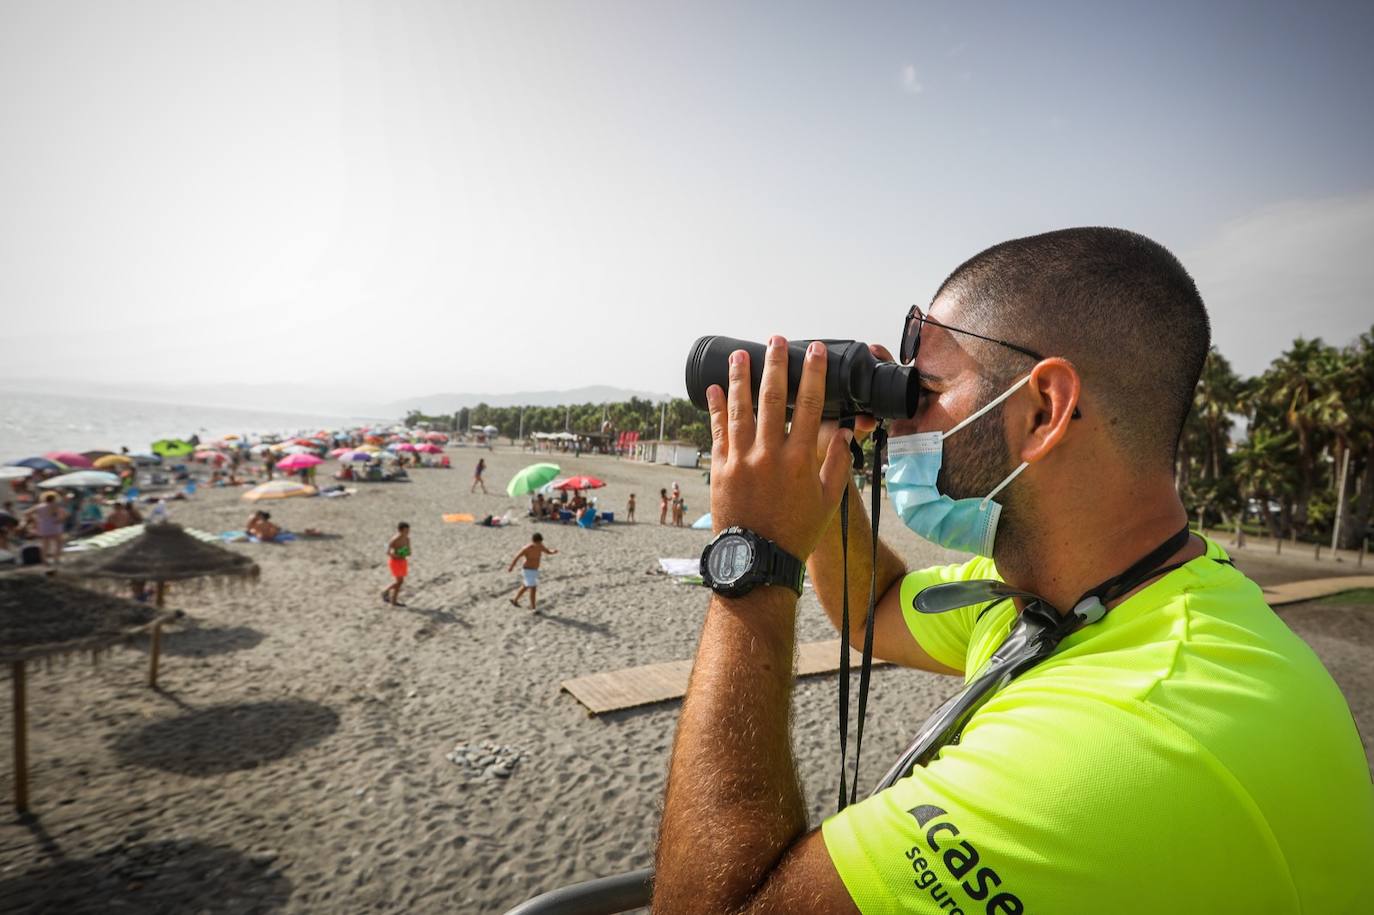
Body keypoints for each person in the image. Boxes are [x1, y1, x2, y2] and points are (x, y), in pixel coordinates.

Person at [653, 228, 1374, 914]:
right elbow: (874, 609)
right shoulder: (1077, 594)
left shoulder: (1133, 731)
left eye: (923, 392)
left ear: (1043, 410)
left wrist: (755, 552)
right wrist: (822, 468)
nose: (899, 423)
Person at [507, 532, 557, 612]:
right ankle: (533, 608)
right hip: (527, 570)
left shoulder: (540, 546)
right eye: (538, 542)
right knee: (533, 588)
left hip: (534, 570)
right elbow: (517, 557)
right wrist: (511, 567)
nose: (540, 544)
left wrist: (553, 552)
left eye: (540, 542)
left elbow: (547, 551)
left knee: (525, 586)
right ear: (534, 541)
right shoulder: (526, 548)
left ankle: (515, 600)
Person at [25, 492, 68, 564]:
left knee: (45, 544)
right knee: (59, 543)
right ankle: (56, 558)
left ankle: (44, 560)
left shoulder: (39, 506)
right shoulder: (55, 505)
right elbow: (65, 514)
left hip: (43, 526)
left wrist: (35, 519)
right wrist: (60, 520)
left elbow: (26, 513)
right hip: (54, 526)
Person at [382, 521, 411, 607]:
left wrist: (406, 552)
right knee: (400, 581)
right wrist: (396, 555)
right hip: (395, 562)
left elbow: (409, 551)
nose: (407, 532)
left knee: (400, 582)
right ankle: (393, 601)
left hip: (403, 561)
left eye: (408, 531)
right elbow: (387, 551)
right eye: (405, 531)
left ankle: (386, 592)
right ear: (400, 530)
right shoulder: (395, 539)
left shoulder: (407, 539)